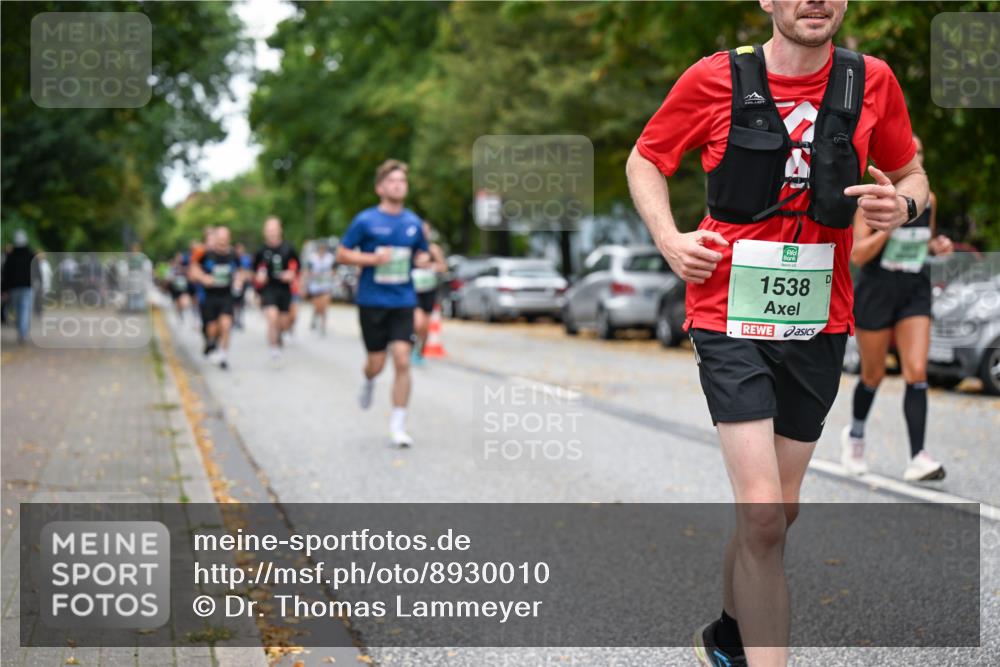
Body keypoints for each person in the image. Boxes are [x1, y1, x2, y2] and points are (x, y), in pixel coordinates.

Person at [625, 1, 928, 665]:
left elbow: (913, 175)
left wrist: (903, 204)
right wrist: (671, 240)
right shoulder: (714, 78)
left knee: (778, 514)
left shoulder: (870, 80)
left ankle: (730, 632)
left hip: (819, 320)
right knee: (762, 514)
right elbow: (645, 159)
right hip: (727, 312)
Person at [842, 136, 952, 482]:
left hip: (914, 290)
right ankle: (855, 436)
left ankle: (918, 456)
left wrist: (938, 246)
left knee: (917, 370)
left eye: (920, 153)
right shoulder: (871, 202)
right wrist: (889, 227)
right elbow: (857, 255)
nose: (915, 158)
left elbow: (924, 242)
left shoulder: (928, 200)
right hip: (877, 290)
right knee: (873, 374)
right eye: (910, 152)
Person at [336, 159, 430, 447]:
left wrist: (423, 260)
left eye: (402, 181)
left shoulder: (413, 223)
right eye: (392, 181)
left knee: (403, 358)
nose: (398, 185)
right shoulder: (365, 221)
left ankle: (398, 425)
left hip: (403, 299)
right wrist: (371, 259)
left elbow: (421, 255)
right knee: (376, 363)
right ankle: (368, 380)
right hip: (372, 300)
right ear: (380, 188)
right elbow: (342, 254)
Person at [188, 227, 245, 370]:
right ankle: (210, 343)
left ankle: (223, 356)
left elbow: (240, 271)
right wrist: (203, 277)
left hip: (226, 296)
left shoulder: (233, 254)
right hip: (209, 296)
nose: (222, 242)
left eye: (225, 239)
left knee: (226, 325)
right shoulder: (205, 253)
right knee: (212, 328)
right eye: (219, 239)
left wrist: (238, 280)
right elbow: (193, 269)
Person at [254, 216, 300, 363]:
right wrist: (258, 277)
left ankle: (280, 336)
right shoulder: (261, 251)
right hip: (269, 288)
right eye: (269, 230)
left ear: (280, 230)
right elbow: (252, 271)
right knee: (272, 317)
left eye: (274, 229)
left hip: (284, 289)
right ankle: (273, 348)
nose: (272, 233)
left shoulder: (289, 248)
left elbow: (297, 267)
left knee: (284, 322)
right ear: (264, 232)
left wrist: (291, 274)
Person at [411, 221, 448, 366]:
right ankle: (411, 347)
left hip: (429, 291)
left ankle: (420, 352)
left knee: (425, 327)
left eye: (426, 230)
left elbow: (443, 267)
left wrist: (431, 265)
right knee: (417, 322)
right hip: (414, 292)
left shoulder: (433, 249)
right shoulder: (412, 248)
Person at [1, 230, 37, 343]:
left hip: (14, 287)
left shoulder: (11, 256)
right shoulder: (31, 254)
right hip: (26, 286)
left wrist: (4, 288)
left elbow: (6, 273)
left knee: (17, 310)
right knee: (25, 309)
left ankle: (21, 331)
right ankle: (23, 332)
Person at [303, 241, 336, 336]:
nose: (322, 251)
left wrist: (331, 275)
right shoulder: (313, 258)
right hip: (315, 286)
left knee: (324, 306)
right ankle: (314, 317)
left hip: (326, 285)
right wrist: (306, 282)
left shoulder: (330, 258)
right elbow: (308, 271)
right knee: (317, 306)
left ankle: (323, 325)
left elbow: (334, 270)